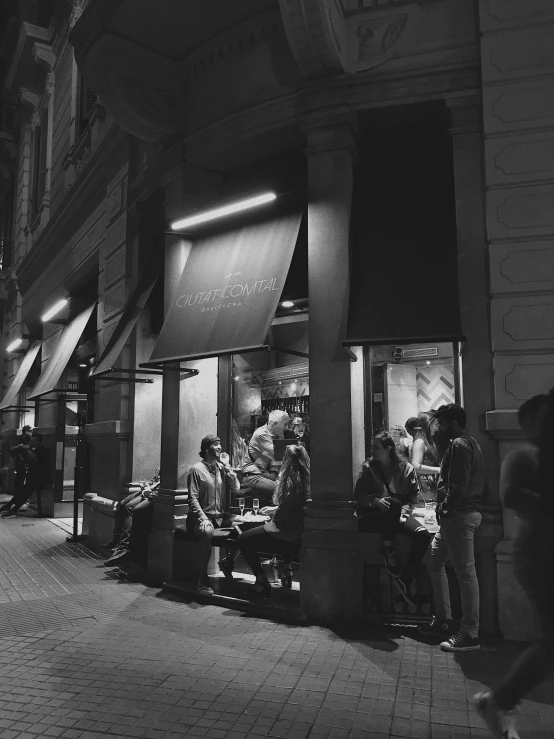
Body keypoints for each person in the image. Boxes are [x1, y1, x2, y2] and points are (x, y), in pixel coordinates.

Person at [474, 392, 552, 739]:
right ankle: (499, 700)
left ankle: (498, 701)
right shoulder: (524, 457)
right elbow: (512, 497)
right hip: (538, 556)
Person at [419, 403, 485, 651]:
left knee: (466, 574)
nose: (439, 428)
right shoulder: (471, 443)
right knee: (433, 561)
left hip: (459, 515)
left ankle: (470, 632)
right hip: (458, 515)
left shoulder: (458, 444)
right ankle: (443, 620)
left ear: (452, 424)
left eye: (442, 424)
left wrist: (445, 507)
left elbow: (458, 484)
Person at [354, 431, 432, 595]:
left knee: (423, 535)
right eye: (371, 447)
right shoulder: (367, 468)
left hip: (399, 515)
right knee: (394, 504)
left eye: (376, 447)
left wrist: (405, 511)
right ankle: (387, 548)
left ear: (388, 449)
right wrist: (374, 501)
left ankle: (407, 575)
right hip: (374, 516)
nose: (372, 451)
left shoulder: (405, 468)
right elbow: (358, 497)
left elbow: (413, 496)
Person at [235, 444, 311, 597]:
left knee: (243, 539)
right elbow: (293, 507)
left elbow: (283, 516)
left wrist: (272, 516)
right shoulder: (309, 479)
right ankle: (287, 570)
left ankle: (261, 581)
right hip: (299, 532)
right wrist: (275, 510)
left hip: (285, 533)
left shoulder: (290, 481)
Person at [187, 434, 240, 595]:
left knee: (243, 527)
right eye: (215, 445)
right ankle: (202, 578)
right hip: (199, 519)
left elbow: (236, 487)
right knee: (207, 531)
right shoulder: (196, 470)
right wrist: (203, 518)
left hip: (220, 518)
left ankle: (228, 561)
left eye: (220, 445)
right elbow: (192, 498)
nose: (220, 448)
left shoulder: (221, 469)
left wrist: (228, 467)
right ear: (206, 449)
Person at [104, 469, 160, 567]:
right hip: (148, 490)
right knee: (121, 504)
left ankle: (124, 545)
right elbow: (155, 479)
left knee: (130, 508)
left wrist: (150, 488)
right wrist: (148, 485)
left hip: (154, 493)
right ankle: (117, 539)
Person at [242, 409, 290, 503]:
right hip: (253, 477)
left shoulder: (274, 435)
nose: (287, 428)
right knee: (282, 492)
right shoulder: (262, 434)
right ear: (275, 424)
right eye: (285, 424)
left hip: (266, 475)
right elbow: (279, 455)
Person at [1, 432, 50, 517]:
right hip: (33, 476)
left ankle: (13, 509)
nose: (30, 442)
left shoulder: (41, 449)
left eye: (33, 441)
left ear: (38, 441)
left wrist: (28, 449)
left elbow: (34, 458)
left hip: (38, 477)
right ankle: (10, 507)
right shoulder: (35, 448)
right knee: (22, 493)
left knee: (24, 494)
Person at [0, 426, 33, 512]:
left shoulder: (21, 441)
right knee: (23, 489)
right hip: (23, 468)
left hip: (21, 468)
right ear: (26, 432)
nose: (31, 432)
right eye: (30, 431)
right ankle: (11, 507)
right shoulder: (24, 441)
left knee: (21, 489)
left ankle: (10, 506)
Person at [409, 412, 441, 500]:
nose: (437, 427)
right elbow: (415, 466)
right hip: (423, 484)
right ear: (428, 425)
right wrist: (439, 470)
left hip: (429, 482)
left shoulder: (428, 440)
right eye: (435, 424)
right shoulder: (420, 442)